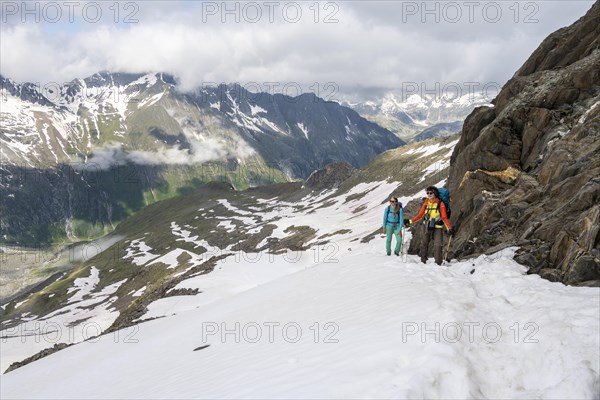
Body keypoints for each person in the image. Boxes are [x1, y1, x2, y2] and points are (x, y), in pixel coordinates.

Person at [404, 186, 454, 265]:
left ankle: (438, 263)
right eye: (428, 193)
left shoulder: (440, 204)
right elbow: (420, 215)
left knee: (438, 245)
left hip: (437, 227)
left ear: (435, 194)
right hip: (426, 225)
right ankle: (423, 261)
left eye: (431, 193)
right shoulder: (426, 203)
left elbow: (444, 217)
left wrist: (449, 228)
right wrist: (409, 221)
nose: (429, 194)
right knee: (424, 243)